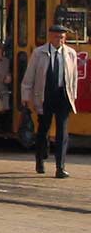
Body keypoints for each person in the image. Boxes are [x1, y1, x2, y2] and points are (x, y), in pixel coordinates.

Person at [21, 24, 79, 178]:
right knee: (43, 129)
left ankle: (60, 167)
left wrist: (73, 96)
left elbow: (73, 77)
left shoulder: (71, 53)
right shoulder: (39, 53)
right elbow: (29, 76)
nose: (59, 40)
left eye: (62, 37)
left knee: (62, 132)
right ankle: (40, 159)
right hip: (45, 96)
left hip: (63, 96)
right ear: (50, 37)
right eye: (56, 37)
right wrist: (26, 96)